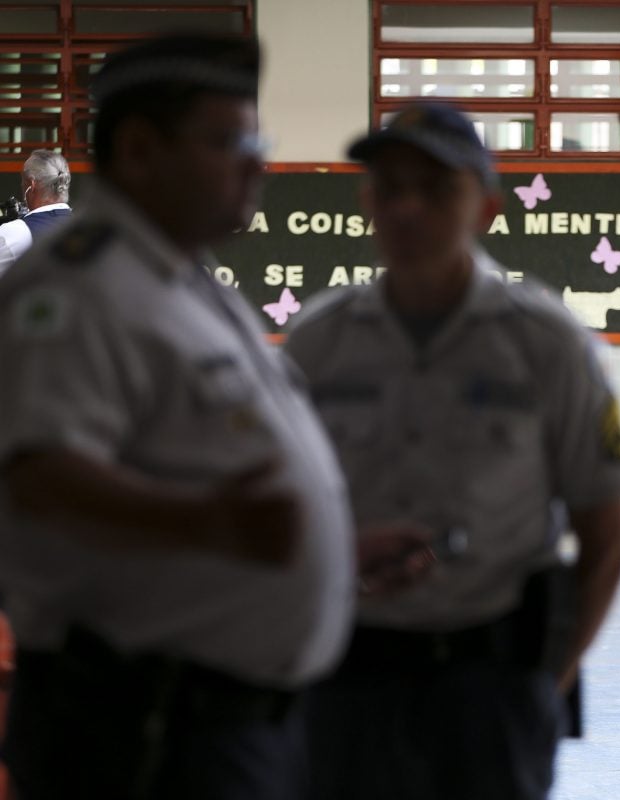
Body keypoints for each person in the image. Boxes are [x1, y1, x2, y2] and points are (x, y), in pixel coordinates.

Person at [0, 33, 355, 800]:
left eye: (257, 144)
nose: (256, 166)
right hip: (142, 728)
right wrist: (215, 525)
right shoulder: (76, 290)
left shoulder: (182, 281)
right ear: (138, 150)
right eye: (229, 144)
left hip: (217, 719)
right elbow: (39, 480)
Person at [285, 102, 620, 800]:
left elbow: (606, 539)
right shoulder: (318, 345)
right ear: (367, 203)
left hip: (492, 687)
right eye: (390, 188)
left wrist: (543, 687)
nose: (408, 208)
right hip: (348, 685)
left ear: (487, 209)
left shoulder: (549, 345)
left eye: (438, 189)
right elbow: (279, 514)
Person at [0, 150, 73, 276]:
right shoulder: (83, 226)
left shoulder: (15, 232)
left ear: (31, 184)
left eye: (23, 180)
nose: (21, 185)